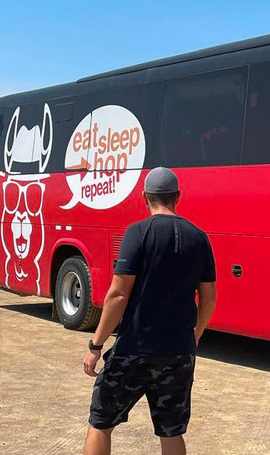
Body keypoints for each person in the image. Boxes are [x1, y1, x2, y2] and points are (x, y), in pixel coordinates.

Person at [82, 167, 218, 455]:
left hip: (136, 349)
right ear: (177, 197)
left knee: (101, 423)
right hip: (179, 352)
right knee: (172, 431)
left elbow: (118, 294)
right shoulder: (200, 237)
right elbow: (208, 298)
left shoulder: (138, 232)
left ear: (144, 196)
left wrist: (96, 345)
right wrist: (196, 335)